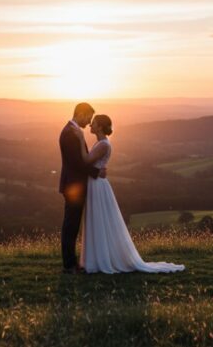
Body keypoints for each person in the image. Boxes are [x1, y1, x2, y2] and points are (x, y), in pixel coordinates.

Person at [72, 114, 185, 274]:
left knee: (98, 218)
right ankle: (96, 258)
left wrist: (79, 138)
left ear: (100, 127)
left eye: (94, 123)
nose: (90, 124)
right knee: (96, 219)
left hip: (97, 185)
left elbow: (85, 161)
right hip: (95, 183)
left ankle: (101, 259)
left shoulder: (103, 145)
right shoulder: (100, 143)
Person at [58, 102, 106, 274]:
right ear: (80, 113)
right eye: (88, 117)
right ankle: (69, 265)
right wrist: (96, 171)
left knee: (73, 225)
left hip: (74, 185)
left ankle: (71, 263)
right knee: (71, 225)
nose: (89, 122)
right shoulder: (70, 133)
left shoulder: (73, 131)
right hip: (73, 187)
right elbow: (77, 163)